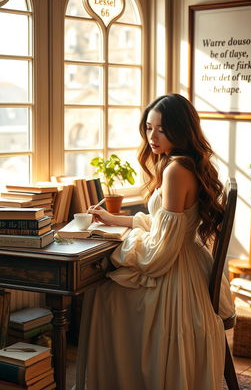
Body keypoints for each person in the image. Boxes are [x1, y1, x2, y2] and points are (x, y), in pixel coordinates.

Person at [74, 94, 235, 390]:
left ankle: (122, 381)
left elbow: (159, 255)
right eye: (149, 128)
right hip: (186, 260)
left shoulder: (176, 170)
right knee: (106, 288)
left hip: (176, 273)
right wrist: (115, 221)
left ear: (180, 129)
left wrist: (123, 247)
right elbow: (166, 226)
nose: (152, 136)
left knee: (101, 294)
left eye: (161, 129)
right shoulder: (183, 164)